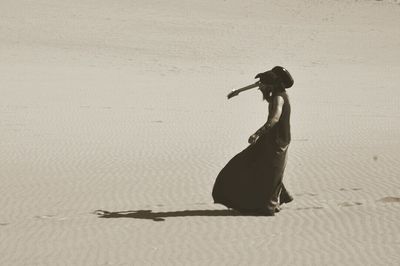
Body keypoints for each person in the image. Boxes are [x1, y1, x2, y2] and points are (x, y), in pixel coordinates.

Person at [212, 66, 294, 216]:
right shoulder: (274, 90)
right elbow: (259, 85)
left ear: (271, 85)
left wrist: (257, 133)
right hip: (270, 137)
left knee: (272, 170)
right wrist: (239, 91)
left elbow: (275, 118)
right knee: (255, 163)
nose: (259, 87)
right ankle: (278, 197)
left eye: (263, 85)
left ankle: (271, 205)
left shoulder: (279, 98)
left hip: (279, 140)